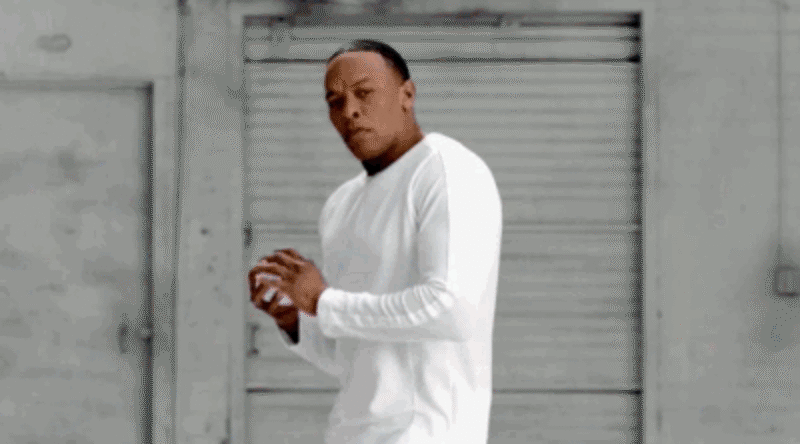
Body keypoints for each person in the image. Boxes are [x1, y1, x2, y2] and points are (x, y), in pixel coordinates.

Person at [248, 39, 503, 444]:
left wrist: (323, 301)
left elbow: (452, 310)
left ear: (407, 95)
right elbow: (353, 354)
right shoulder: (341, 204)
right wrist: (295, 318)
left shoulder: (447, 171)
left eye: (364, 93)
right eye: (334, 101)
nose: (348, 111)